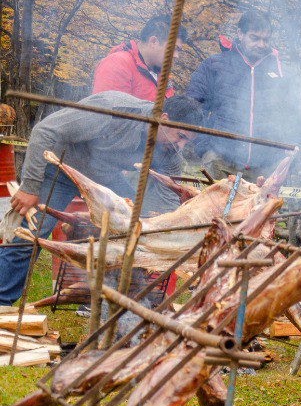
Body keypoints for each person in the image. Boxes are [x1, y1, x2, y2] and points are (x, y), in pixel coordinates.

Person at [0, 92, 201, 305]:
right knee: (31, 233)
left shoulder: (169, 152)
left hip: (103, 177)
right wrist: (30, 188)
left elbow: (168, 195)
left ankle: (110, 301)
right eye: (180, 136)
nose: (180, 146)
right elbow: (44, 132)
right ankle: (1, 301)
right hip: (61, 167)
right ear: (164, 119)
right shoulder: (112, 112)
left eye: (186, 141)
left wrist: (162, 226)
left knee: (134, 224)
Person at [186, 10, 293, 179]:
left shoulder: (279, 72)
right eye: (254, 38)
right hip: (220, 159)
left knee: (257, 207)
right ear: (240, 34)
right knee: (216, 206)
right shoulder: (215, 65)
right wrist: (205, 147)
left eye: (265, 39)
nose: (261, 44)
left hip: (264, 165)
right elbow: (192, 106)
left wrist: (282, 153)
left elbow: (291, 114)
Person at [92, 15, 188, 101]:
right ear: (153, 42)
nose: (176, 55)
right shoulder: (117, 64)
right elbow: (110, 116)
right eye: (174, 48)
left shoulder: (160, 73)